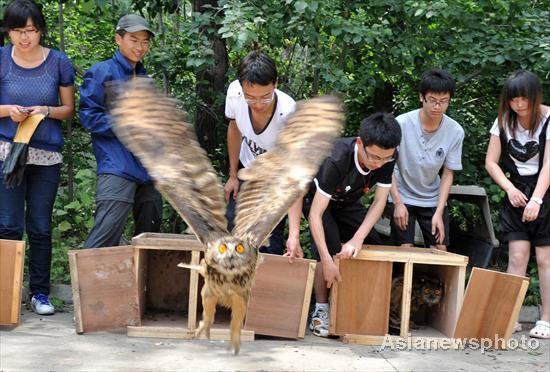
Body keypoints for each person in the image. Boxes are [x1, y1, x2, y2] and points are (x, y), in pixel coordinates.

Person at [0, 0, 75, 315]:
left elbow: (69, 110)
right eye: (17, 30)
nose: (24, 37)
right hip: (8, 153)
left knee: (41, 226)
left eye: (30, 30)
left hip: (46, 154)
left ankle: (40, 294)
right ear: (8, 32)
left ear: (40, 30)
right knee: (8, 225)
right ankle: (7, 293)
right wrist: (8, 111)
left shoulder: (58, 61)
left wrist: (45, 111)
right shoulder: (2, 59)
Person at [306, 112, 401, 337]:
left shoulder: (388, 156)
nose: (379, 164)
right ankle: (321, 308)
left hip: (348, 202)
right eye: (374, 157)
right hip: (319, 203)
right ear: (360, 143)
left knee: (372, 242)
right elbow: (315, 215)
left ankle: (358, 303)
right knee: (326, 249)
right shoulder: (336, 159)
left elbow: (379, 202)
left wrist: (357, 239)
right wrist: (328, 261)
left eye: (386, 158)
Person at [80, 14, 162, 248]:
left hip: (147, 168)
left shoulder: (146, 79)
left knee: (152, 237)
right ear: (119, 39)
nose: (140, 47)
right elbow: (88, 116)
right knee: (104, 235)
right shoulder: (101, 72)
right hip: (117, 165)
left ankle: (143, 284)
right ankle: (86, 284)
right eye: (134, 40)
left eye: (145, 41)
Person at [485, 70, 550, 339]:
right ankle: (510, 315)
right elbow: (491, 162)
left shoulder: (548, 118)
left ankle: (546, 319)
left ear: (535, 97)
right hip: (515, 193)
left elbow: (549, 164)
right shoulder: (503, 122)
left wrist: (537, 198)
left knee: (545, 259)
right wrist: (510, 189)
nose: (519, 105)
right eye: (513, 100)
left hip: (544, 192)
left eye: (524, 99)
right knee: (517, 256)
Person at [224, 50, 302, 258]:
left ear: (275, 84)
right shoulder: (234, 94)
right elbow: (234, 128)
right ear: (241, 87)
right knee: (230, 231)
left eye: (265, 97)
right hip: (246, 169)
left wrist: (294, 234)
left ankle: (265, 288)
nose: (258, 104)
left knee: (268, 244)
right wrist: (233, 175)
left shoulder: (289, 114)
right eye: (251, 98)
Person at [388, 68, 464, 250]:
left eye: (444, 101)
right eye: (433, 101)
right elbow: (387, 166)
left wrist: (439, 211)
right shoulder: (401, 124)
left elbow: (448, 174)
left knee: (440, 251)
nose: (438, 106)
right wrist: (397, 203)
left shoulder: (455, 131)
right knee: (405, 250)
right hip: (402, 195)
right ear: (422, 97)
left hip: (432, 198)